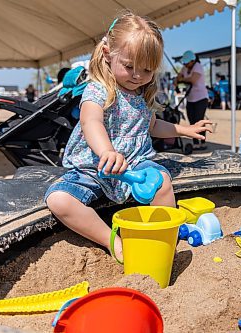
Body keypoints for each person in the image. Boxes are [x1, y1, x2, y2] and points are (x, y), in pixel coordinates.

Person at [44, 12, 212, 262]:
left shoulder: (141, 95)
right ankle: (113, 242)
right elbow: (91, 121)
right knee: (59, 200)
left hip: (134, 165)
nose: (137, 76)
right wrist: (106, 152)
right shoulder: (99, 89)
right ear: (107, 54)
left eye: (146, 70)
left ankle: (167, 235)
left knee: (162, 182)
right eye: (129, 66)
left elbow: (153, 126)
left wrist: (187, 130)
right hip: (95, 167)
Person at [175, 50, 209, 150]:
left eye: (187, 62)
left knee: (199, 120)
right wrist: (179, 79)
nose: (185, 64)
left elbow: (193, 80)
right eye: (184, 62)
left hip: (201, 98)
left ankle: (202, 141)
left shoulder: (197, 66)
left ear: (192, 60)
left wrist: (182, 79)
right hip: (190, 98)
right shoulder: (185, 68)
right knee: (192, 120)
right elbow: (178, 78)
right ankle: (195, 142)